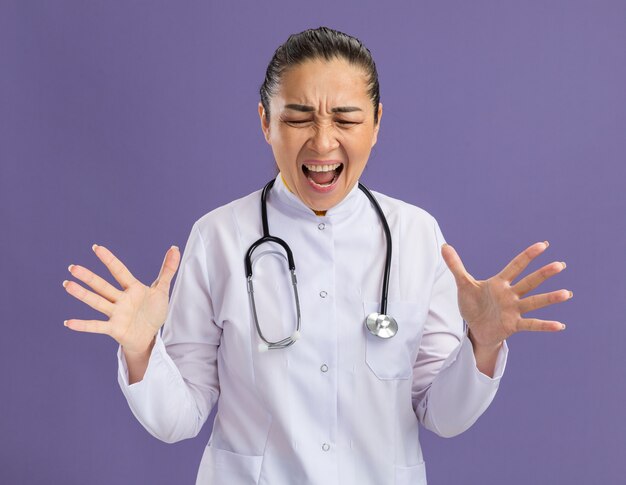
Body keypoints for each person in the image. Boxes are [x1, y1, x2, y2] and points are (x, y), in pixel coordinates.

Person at [62, 26, 571, 485]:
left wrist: (481, 344)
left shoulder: (416, 234)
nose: (323, 141)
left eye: (346, 119)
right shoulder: (219, 236)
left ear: (376, 123)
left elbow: (444, 414)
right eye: (299, 117)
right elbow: (178, 420)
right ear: (266, 122)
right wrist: (140, 348)